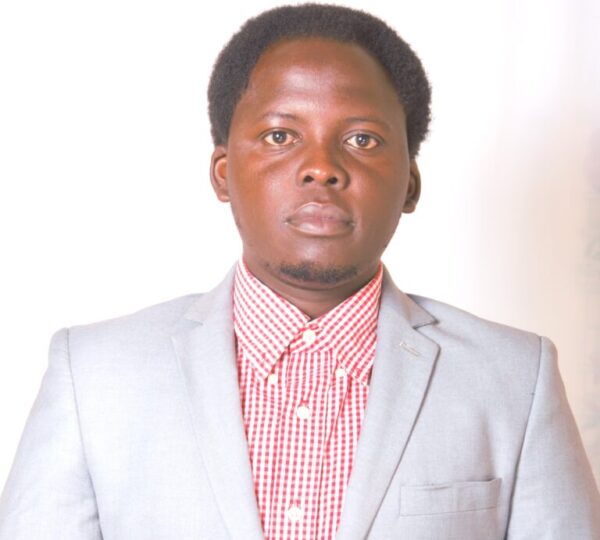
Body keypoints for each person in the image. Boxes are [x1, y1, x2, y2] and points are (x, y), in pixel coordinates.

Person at [0, 3, 598, 539]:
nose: (321, 167)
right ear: (223, 173)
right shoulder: (93, 377)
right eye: (280, 135)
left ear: (411, 184)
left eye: (362, 139)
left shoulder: (515, 380)